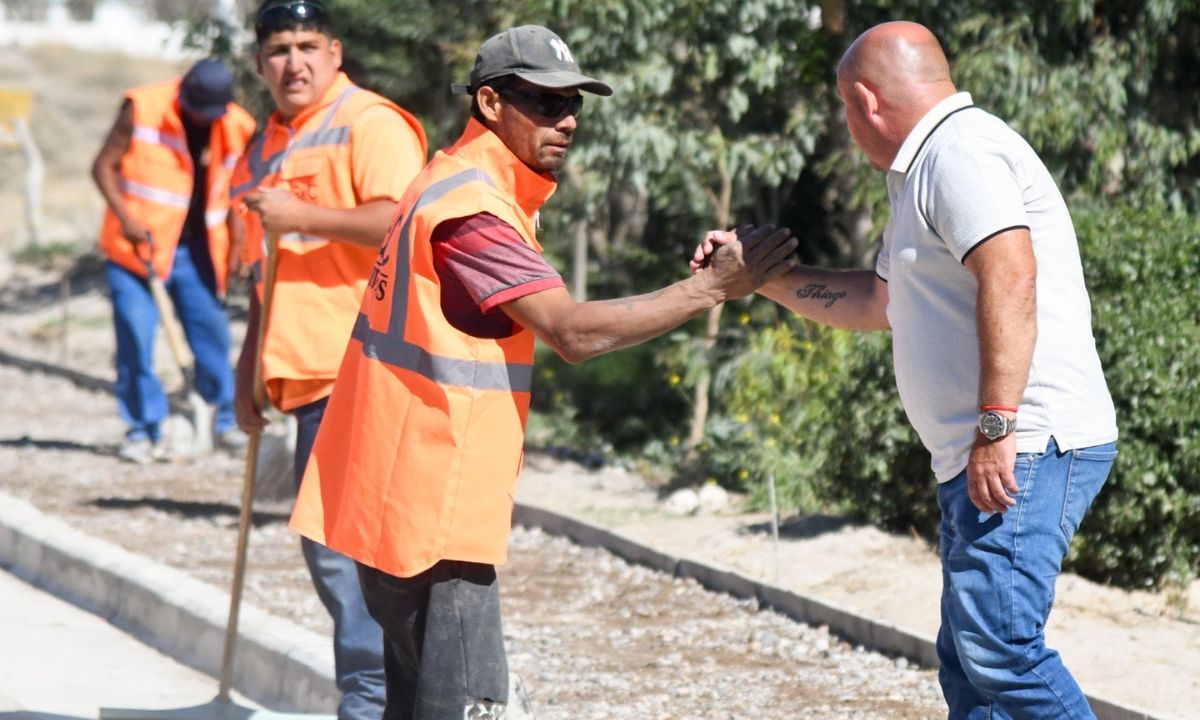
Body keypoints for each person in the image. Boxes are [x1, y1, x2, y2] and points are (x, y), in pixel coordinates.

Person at [288, 24, 797, 720]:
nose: (567, 121)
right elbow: (571, 331)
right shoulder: (473, 212)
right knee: (469, 706)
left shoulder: (447, 182)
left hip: (390, 499)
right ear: (491, 103)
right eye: (545, 103)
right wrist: (710, 290)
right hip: (434, 513)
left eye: (575, 105)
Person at [695, 20, 1118, 720]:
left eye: (842, 109)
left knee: (1001, 649)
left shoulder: (961, 152)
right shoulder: (926, 167)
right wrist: (759, 278)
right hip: (990, 449)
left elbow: (1011, 277)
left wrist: (995, 426)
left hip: (1025, 443)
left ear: (865, 101)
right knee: (970, 665)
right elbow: (878, 300)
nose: (847, 124)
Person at [229, 1, 428, 718]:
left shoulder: (370, 123)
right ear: (259, 64)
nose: (294, 62)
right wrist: (249, 366)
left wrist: (302, 215)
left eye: (308, 46)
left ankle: (372, 702)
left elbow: (402, 221)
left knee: (344, 557)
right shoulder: (265, 145)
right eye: (279, 49)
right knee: (333, 554)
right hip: (300, 369)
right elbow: (264, 268)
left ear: (336, 53)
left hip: (361, 366)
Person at [92, 58, 255, 463]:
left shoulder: (238, 125)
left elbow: (237, 194)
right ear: (183, 94)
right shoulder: (143, 107)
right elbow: (102, 167)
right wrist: (127, 219)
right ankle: (142, 429)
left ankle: (224, 423)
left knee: (212, 335)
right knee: (135, 334)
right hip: (136, 248)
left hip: (198, 249)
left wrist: (239, 247)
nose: (204, 120)